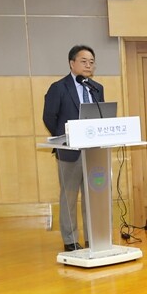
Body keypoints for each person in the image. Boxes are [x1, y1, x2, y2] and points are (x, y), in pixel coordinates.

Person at [42, 45, 105, 252]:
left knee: (93, 196)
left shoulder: (97, 88)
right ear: (72, 63)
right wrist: (65, 138)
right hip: (69, 152)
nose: (88, 65)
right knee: (69, 196)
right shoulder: (59, 87)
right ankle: (70, 240)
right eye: (84, 61)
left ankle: (93, 237)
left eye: (91, 62)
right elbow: (49, 117)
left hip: (94, 152)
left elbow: (101, 115)